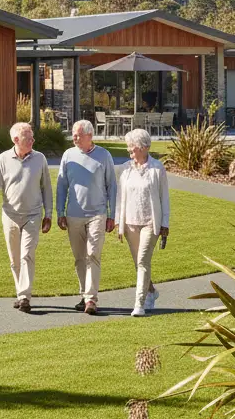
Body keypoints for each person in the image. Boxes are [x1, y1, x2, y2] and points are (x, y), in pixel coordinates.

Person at [0, 121, 53, 313]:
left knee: (27, 255)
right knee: (14, 259)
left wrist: (48, 214)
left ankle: (24, 296)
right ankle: (20, 292)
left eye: (32, 136)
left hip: (33, 215)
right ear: (16, 139)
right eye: (28, 137)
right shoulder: (3, 159)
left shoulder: (40, 158)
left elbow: (46, 188)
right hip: (10, 216)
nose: (33, 140)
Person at [56, 119, 117, 315]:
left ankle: (91, 299)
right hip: (74, 215)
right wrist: (60, 212)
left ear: (89, 136)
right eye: (73, 134)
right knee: (79, 258)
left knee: (93, 255)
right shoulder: (68, 155)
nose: (74, 137)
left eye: (78, 134)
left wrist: (112, 214)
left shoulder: (104, 155)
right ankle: (84, 295)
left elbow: (112, 187)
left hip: (97, 214)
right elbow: (61, 185)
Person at [116, 127, 170, 317]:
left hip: (150, 223)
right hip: (130, 222)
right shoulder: (125, 169)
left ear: (143, 147)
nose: (129, 149)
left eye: (132, 146)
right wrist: (118, 223)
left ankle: (139, 303)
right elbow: (120, 198)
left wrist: (165, 223)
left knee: (142, 261)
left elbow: (164, 198)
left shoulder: (157, 168)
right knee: (139, 264)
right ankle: (152, 291)